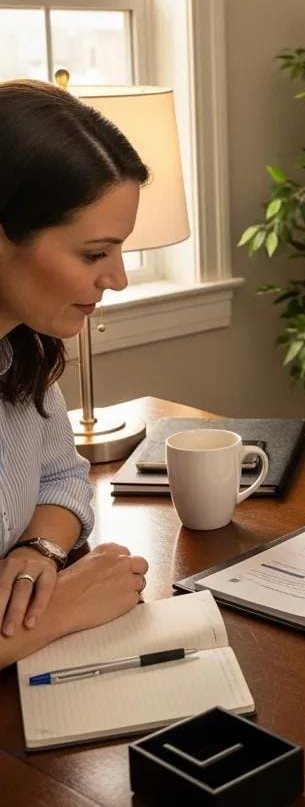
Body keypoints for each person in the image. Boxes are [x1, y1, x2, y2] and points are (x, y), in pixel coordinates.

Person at [0, 80, 150, 668]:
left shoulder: (21, 352)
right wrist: (61, 608)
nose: (118, 278)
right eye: (93, 254)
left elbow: (62, 474)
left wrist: (39, 548)